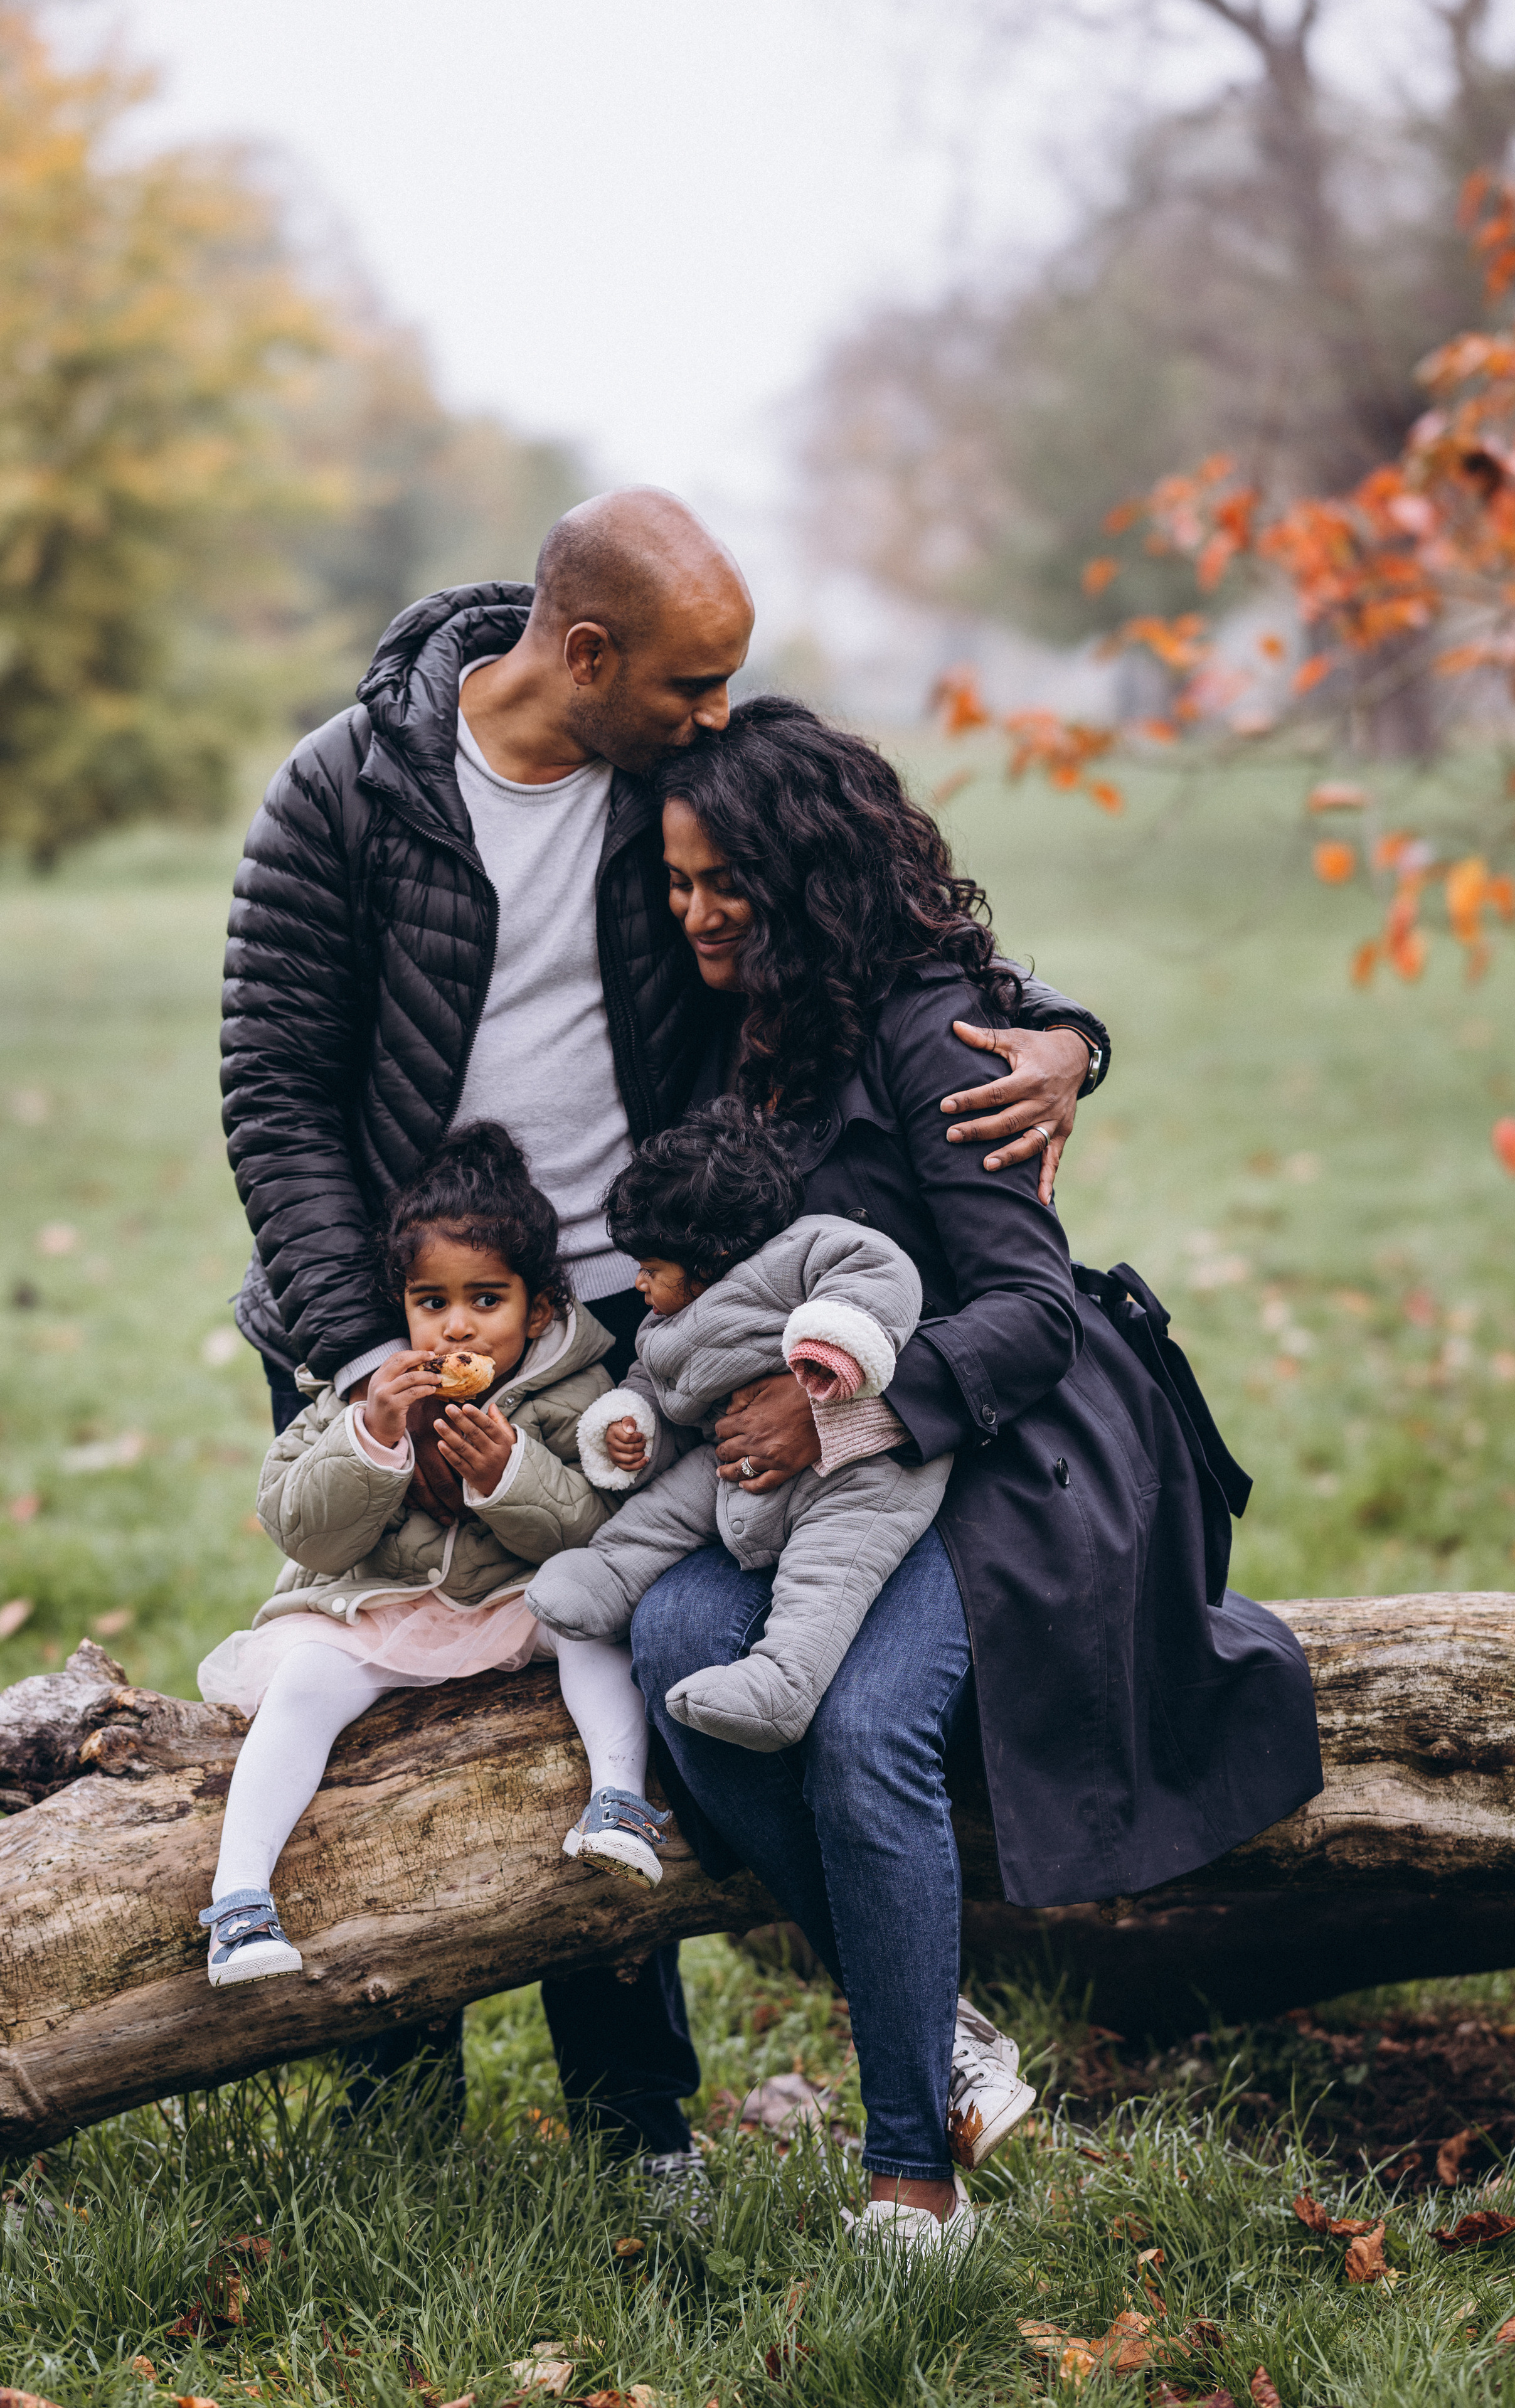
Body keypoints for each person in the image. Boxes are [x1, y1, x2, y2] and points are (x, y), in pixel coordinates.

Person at [221, 484, 1110, 2158]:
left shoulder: (668, 792)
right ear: (585, 652)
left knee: (593, 1688)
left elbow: (878, 902)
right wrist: (374, 1364)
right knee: (374, 1668)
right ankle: (392, 2104)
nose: (720, 715)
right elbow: (273, 1091)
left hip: (641, 1312)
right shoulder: (345, 793)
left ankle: (642, 2126)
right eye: (695, 684)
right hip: (388, 1313)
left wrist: (1060, 1029)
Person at [627, 695, 1324, 2251]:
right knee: (675, 1640)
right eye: (673, 882)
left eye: (720, 880)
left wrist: (842, 1419)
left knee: (864, 1720)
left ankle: (908, 2177)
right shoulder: (725, 1026)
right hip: (802, 1461)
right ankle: (934, 2025)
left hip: (1000, 1444)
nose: (692, 912)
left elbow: (1020, 1306)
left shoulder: (931, 1029)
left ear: (801, 872)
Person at [196, 1124, 659, 1985]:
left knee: (597, 1615)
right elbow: (302, 1529)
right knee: (300, 1687)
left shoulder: (576, 1393)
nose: (458, 1329)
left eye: (488, 1300)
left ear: (541, 1308)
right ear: (401, 1305)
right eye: (433, 1301)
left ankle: (620, 1801)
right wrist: (371, 1438)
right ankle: (239, 1899)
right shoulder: (359, 1389)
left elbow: (600, 1531)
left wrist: (509, 1473)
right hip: (384, 1606)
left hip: (515, 1600)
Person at [530, 1100, 952, 1764]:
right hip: (732, 1463)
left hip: (855, 1467)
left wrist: (832, 1352)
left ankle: (783, 1682)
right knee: (665, 1507)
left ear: (712, 1253)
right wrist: (630, 1424)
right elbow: (656, 1387)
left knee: (826, 1576)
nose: (636, 1280)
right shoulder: (663, 1327)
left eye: (651, 1265)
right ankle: (609, 1575)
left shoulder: (802, 1251)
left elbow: (880, 1273)